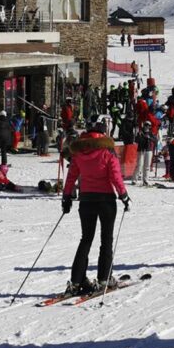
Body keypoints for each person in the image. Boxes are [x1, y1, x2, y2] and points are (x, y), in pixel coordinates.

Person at [60, 122, 130, 296]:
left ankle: (76, 281)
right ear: (102, 135)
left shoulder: (78, 153)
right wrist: (124, 196)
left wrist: (66, 196)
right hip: (106, 199)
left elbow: (71, 177)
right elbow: (115, 176)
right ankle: (104, 278)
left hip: (86, 200)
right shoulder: (107, 152)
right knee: (106, 239)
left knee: (86, 239)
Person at [134, 121, 154, 186]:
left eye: (148, 126)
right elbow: (136, 140)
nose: (147, 127)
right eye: (146, 125)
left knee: (147, 166)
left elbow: (155, 140)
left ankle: (145, 180)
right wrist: (140, 137)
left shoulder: (151, 133)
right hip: (141, 150)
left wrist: (149, 138)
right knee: (139, 165)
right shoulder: (140, 132)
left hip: (149, 150)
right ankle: (134, 179)